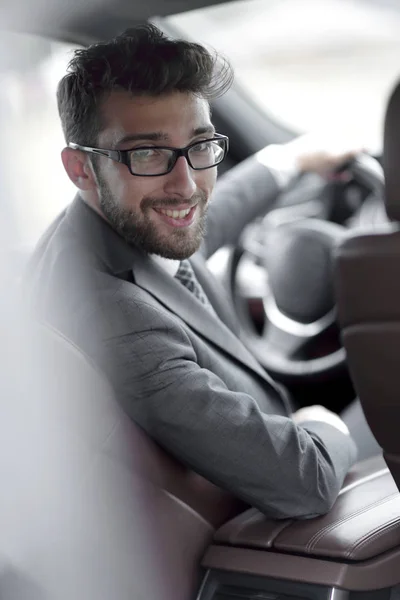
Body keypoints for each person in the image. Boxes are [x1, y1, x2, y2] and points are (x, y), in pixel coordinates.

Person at [28, 24, 380, 520]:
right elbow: (305, 483)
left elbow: (194, 233)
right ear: (81, 168)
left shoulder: (114, 226)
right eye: (147, 153)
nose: (188, 185)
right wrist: (326, 427)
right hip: (276, 522)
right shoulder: (117, 322)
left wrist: (287, 161)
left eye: (200, 145)